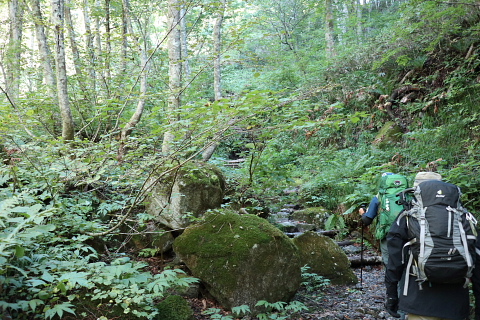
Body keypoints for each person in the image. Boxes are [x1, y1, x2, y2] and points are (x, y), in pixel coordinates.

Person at [384, 174, 474, 320]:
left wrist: (392, 296)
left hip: (419, 302)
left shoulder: (408, 216)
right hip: (456, 304)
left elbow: (395, 260)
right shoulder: (462, 216)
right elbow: (475, 257)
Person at [359, 172, 407, 267]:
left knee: (389, 260)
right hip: (407, 232)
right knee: (405, 258)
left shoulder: (379, 197)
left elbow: (367, 220)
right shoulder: (407, 194)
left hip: (388, 233)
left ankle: (391, 280)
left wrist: (362, 213)